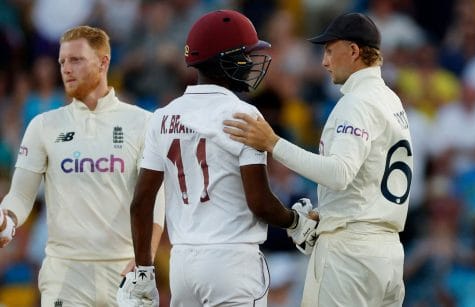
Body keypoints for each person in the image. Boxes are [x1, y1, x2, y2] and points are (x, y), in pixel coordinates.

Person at [123, 10, 318, 307]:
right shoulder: (243, 114)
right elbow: (260, 202)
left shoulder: (161, 117)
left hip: (182, 264)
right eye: (245, 56)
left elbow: (141, 204)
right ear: (225, 60)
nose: (252, 63)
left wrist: (145, 270)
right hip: (233, 262)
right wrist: (295, 222)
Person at [223, 12, 413, 306]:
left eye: (329, 50)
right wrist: (329, 213)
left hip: (351, 254)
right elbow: (366, 178)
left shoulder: (357, 102)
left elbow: (339, 173)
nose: (324, 61)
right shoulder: (390, 100)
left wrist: (272, 143)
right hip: (387, 252)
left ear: (353, 51)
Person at [0, 25, 165, 306]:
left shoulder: (142, 123)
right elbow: (20, 195)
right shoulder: (43, 126)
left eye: (76, 60)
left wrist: (144, 261)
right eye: (62, 61)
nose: (66, 69)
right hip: (65, 275)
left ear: (104, 62)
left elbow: (154, 199)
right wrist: (7, 220)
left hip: (125, 273)